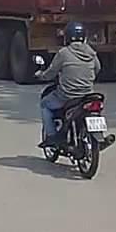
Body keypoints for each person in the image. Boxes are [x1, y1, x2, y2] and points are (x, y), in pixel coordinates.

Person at [36, 21, 101, 149]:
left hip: (67, 96)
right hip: (87, 95)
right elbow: (97, 69)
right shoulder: (91, 53)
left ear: (67, 36)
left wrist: (41, 75)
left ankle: (51, 137)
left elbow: (51, 73)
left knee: (45, 104)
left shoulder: (63, 53)